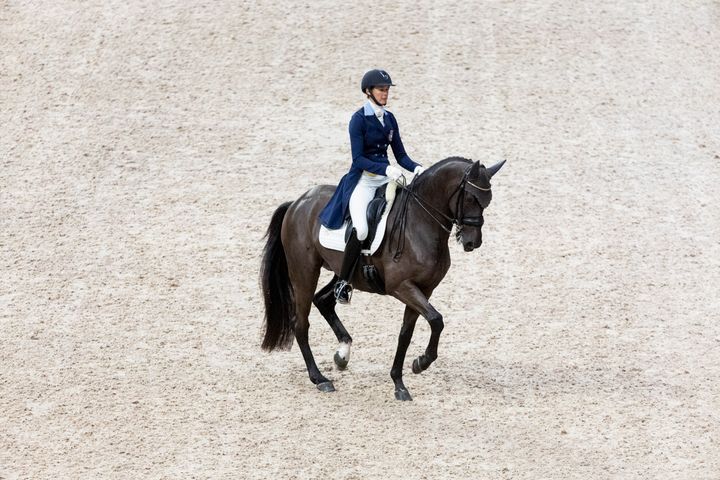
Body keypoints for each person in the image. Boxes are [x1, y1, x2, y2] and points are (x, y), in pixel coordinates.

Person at [319, 69, 426, 304]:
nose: (385, 94)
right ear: (368, 92)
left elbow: (401, 155)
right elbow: (358, 159)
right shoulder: (358, 120)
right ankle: (343, 283)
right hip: (364, 181)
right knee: (362, 229)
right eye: (381, 90)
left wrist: (417, 168)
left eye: (387, 90)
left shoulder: (389, 119)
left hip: (386, 179)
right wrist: (385, 169)